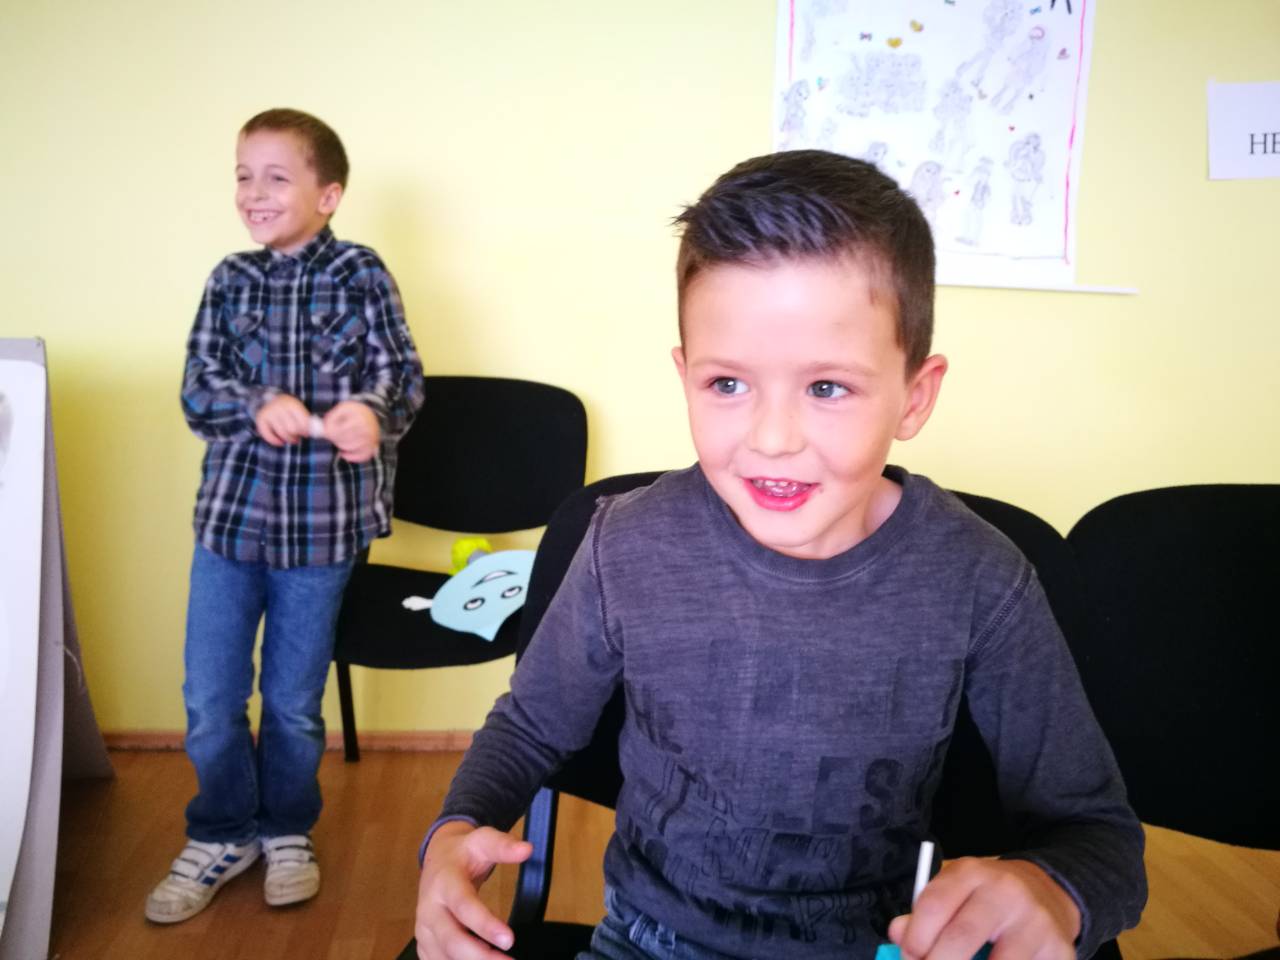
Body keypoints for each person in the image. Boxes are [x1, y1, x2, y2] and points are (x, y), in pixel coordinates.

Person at [413, 150, 1145, 960]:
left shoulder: (980, 579)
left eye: (827, 388)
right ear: (685, 375)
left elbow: (1099, 837)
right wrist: (452, 833)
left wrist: (1054, 890)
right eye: (728, 384)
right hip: (648, 942)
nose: (770, 439)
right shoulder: (625, 543)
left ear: (915, 395)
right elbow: (529, 725)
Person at [146, 108, 424, 924]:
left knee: (294, 703)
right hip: (229, 527)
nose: (253, 193)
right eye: (243, 175)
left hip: (322, 533)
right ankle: (223, 830)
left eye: (276, 177)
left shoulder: (362, 274)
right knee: (210, 699)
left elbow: (402, 376)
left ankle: (287, 829)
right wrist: (256, 402)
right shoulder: (229, 279)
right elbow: (197, 388)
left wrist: (372, 412)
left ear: (328, 195)